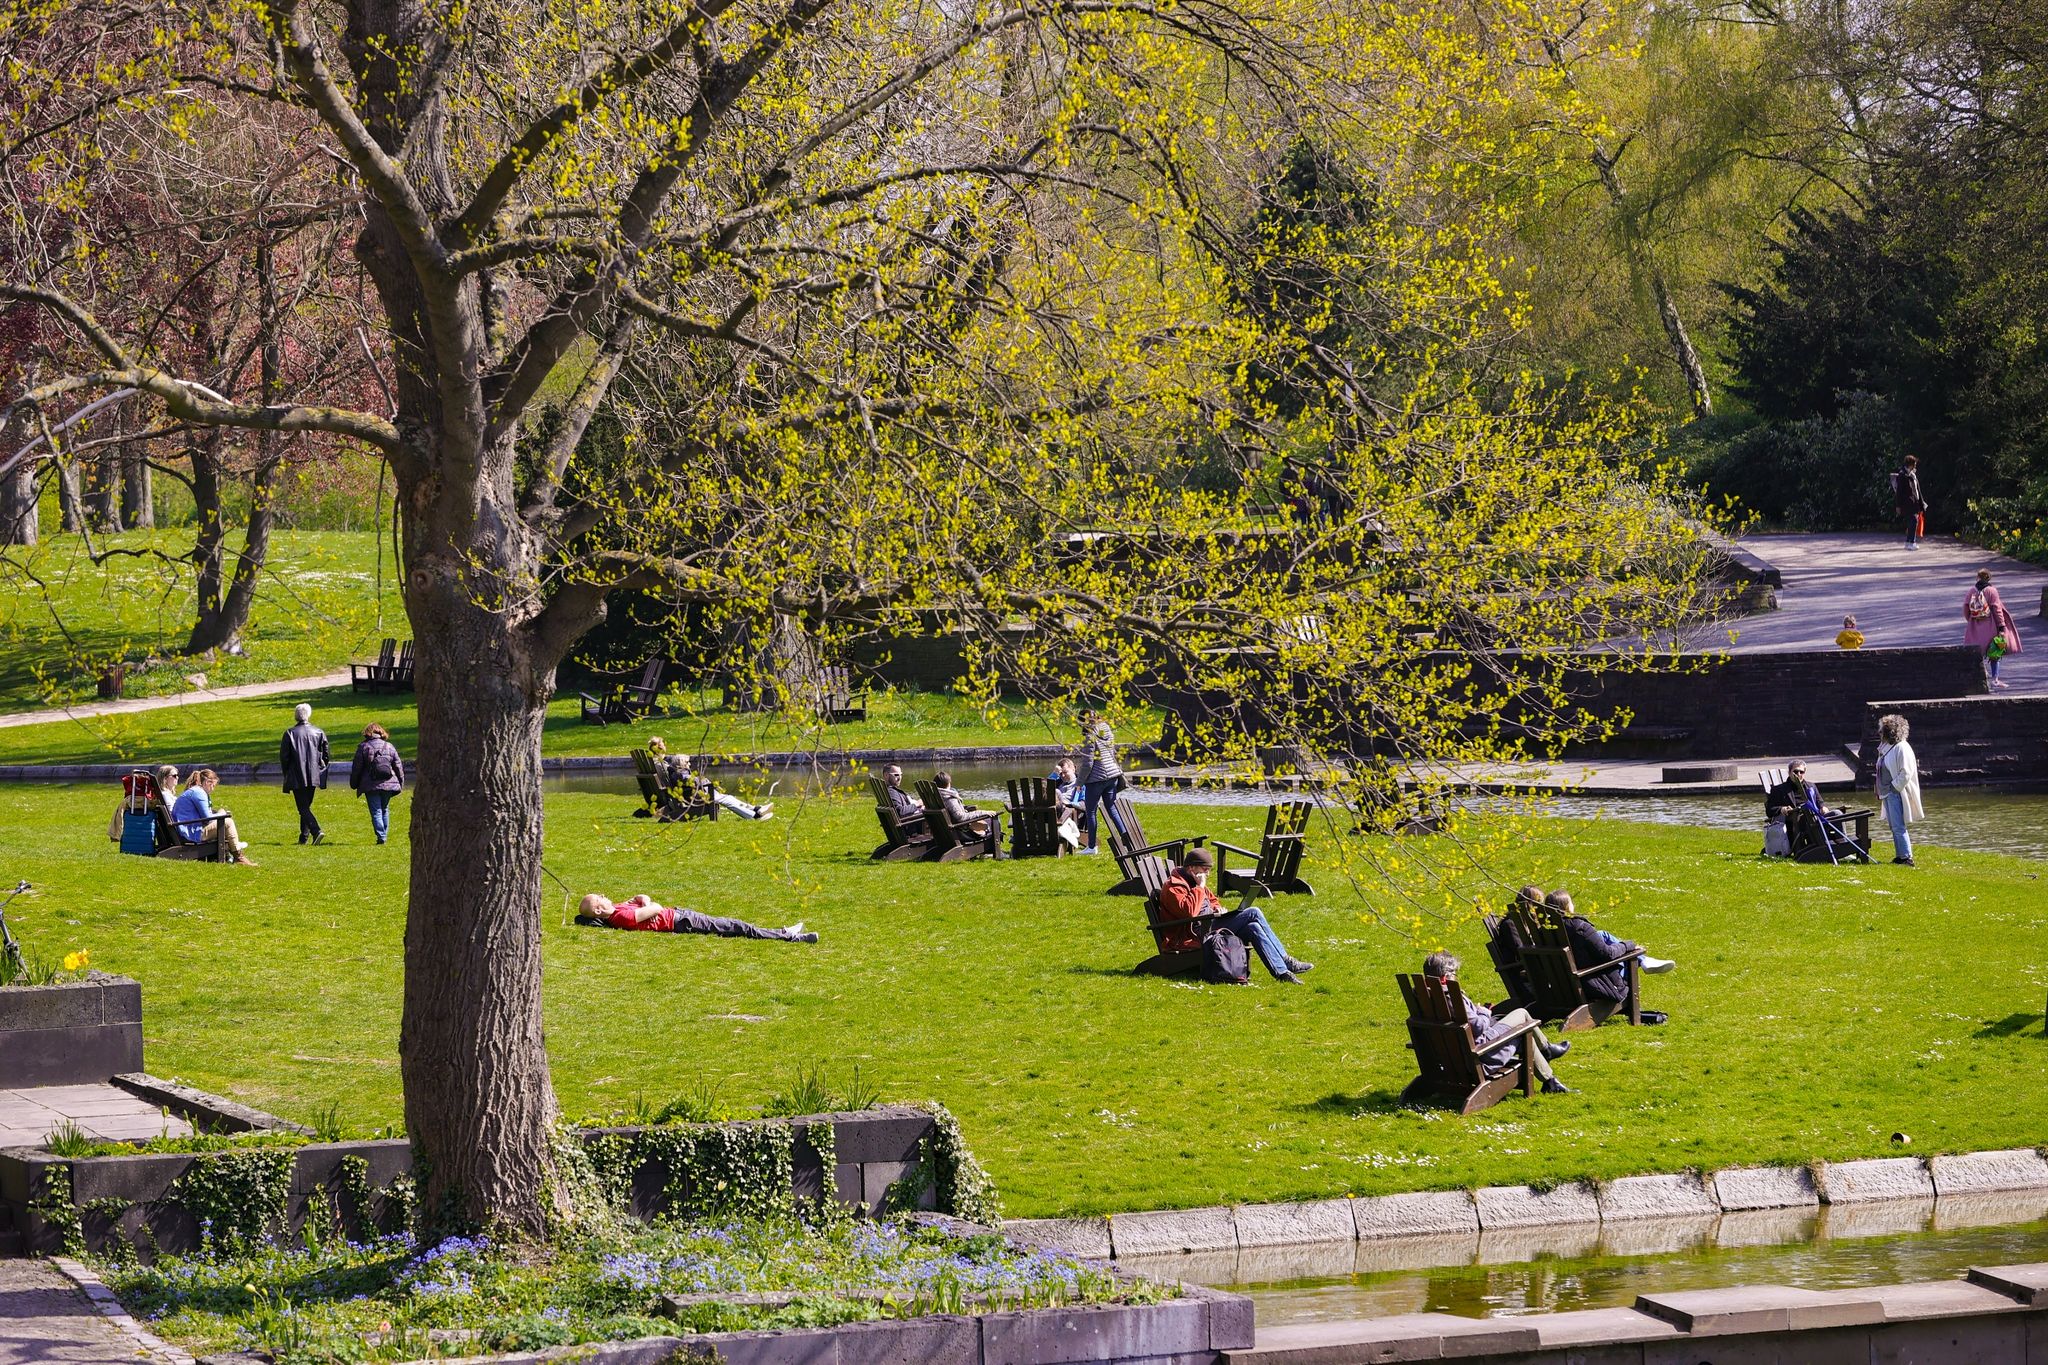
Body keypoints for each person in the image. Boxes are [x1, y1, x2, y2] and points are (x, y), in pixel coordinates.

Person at [1154, 847, 1312, 983]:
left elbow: (1212, 900)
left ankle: (1282, 972)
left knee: (1253, 927)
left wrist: (1218, 909)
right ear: (1191, 868)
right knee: (1254, 912)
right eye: (1205, 870)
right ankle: (1286, 960)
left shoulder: (1194, 880)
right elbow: (1190, 912)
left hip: (1210, 925)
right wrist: (1200, 887)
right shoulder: (1174, 887)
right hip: (1195, 934)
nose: (1207, 874)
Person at [1422, 951, 1571, 1093]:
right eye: (1454, 974)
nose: (1456, 977)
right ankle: (1547, 1055)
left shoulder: (1423, 997)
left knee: (1515, 1020)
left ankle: (1550, 1074)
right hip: (1479, 1055)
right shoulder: (1451, 997)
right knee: (1523, 1018)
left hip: (1450, 1059)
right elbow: (1478, 1027)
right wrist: (1484, 1012)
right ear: (1444, 978)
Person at [1544, 889, 1671, 1025]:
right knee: (1628, 954)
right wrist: (1629, 945)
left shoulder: (1544, 932)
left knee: (1602, 934)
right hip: (1594, 984)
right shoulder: (1580, 928)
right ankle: (1642, 960)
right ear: (1567, 907)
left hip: (1562, 986)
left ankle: (1645, 960)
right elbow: (1608, 954)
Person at [576, 893, 815, 942]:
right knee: (735, 926)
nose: (604, 896)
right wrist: (647, 903)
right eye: (600, 898)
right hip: (682, 923)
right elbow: (654, 906)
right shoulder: (622, 918)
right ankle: (789, 936)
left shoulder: (617, 910)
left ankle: (784, 932)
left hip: (680, 915)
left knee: (733, 925)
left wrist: (644, 901)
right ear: (598, 911)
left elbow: (641, 896)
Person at [646, 737, 773, 819]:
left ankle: (757, 809)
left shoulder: (661, 764)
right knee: (727, 800)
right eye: (687, 763)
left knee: (728, 798)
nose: (689, 764)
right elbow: (686, 779)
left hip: (690, 793)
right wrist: (704, 781)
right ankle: (754, 816)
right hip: (692, 796)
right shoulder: (670, 768)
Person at [1765, 760, 1850, 859]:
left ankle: (1843, 844)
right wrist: (1782, 809)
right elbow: (1769, 810)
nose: (1798, 774)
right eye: (1795, 771)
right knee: (1806, 818)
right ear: (1789, 772)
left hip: (1816, 818)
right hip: (1798, 822)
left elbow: (1820, 802)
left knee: (1837, 813)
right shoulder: (1779, 789)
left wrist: (1823, 807)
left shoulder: (1811, 786)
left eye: (1801, 772)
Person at [171, 769, 257, 865]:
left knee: (223, 817)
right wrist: (223, 815)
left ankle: (231, 854)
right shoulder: (199, 793)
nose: (213, 788)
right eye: (213, 785)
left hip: (187, 828)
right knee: (228, 822)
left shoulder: (194, 791)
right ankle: (239, 857)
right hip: (192, 833)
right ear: (208, 782)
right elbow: (207, 818)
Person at [1873, 712, 1924, 866]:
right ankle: (1900, 856)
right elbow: (1880, 770)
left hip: (1895, 792)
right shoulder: (1886, 747)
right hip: (1887, 792)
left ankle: (1906, 858)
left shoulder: (1902, 747)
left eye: (1882, 730)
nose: (1879, 733)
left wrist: (1894, 788)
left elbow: (1906, 772)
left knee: (1898, 825)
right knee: (1893, 825)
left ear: (1890, 731)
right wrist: (1878, 789)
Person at [1963, 568, 2023, 690]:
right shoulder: (1992, 591)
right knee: (1995, 652)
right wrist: (2002, 626)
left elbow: (1965, 608)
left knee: (1977, 652)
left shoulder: (1971, 591)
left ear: (1977, 577)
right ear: (1989, 578)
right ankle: (1995, 679)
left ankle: (1980, 677)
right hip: (1991, 625)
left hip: (1974, 625)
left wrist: (1970, 619)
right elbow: (1997, 609)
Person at [280, 703, 331, 845]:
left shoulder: (289, 733)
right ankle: (303, 838)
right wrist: (321, 769)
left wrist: (287, 774)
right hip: (314, 774)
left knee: (302, 807)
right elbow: (326, 755)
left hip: (297, 774)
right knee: (305, 807)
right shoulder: (319, 732)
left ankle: (316, 831)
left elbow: (284, 757)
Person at [349, 724, 406, 845]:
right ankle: (383, 834)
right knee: (384, 809)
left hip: (371, 785)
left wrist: (353, 784)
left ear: (367, 733)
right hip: (389, 783)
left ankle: (382, 836)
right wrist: (401, 783)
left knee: (376, 811)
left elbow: (356, 768)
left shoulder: (364, 747)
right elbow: (398, 766)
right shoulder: (389, 746)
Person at [1077, 710, 1125, 854]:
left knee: (1090, 811)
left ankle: (1092, 847)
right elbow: (1112, 753)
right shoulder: (1106, 729)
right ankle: (1126, 839)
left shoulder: (1089, 736)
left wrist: (1079, 782)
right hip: (1112, 775)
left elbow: (1088, 764)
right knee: (1111, 808)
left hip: (1097, 779)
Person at [931, 771, 1004, 857]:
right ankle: (994, 851)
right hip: (962, 832)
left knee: (987, 819)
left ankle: (990, 851)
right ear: (948, 783)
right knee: (994, 819)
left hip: (948, 832)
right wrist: (983, 812)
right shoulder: (949, 798)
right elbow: (961, 817)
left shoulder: (936, 797)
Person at [1893, 455, 1925, 549]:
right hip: (1907, 502)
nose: (1915, 466)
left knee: (1912, 521)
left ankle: (1908, 542)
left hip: (1914, 502)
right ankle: (1912, 542)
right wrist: (1898, 505)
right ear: (1910, 464)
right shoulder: (1903, 475)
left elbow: (1917, 489)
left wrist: (1921, 502)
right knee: (1913, 521)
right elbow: (1899, 492)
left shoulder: (1912, 474)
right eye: (1914, 464)